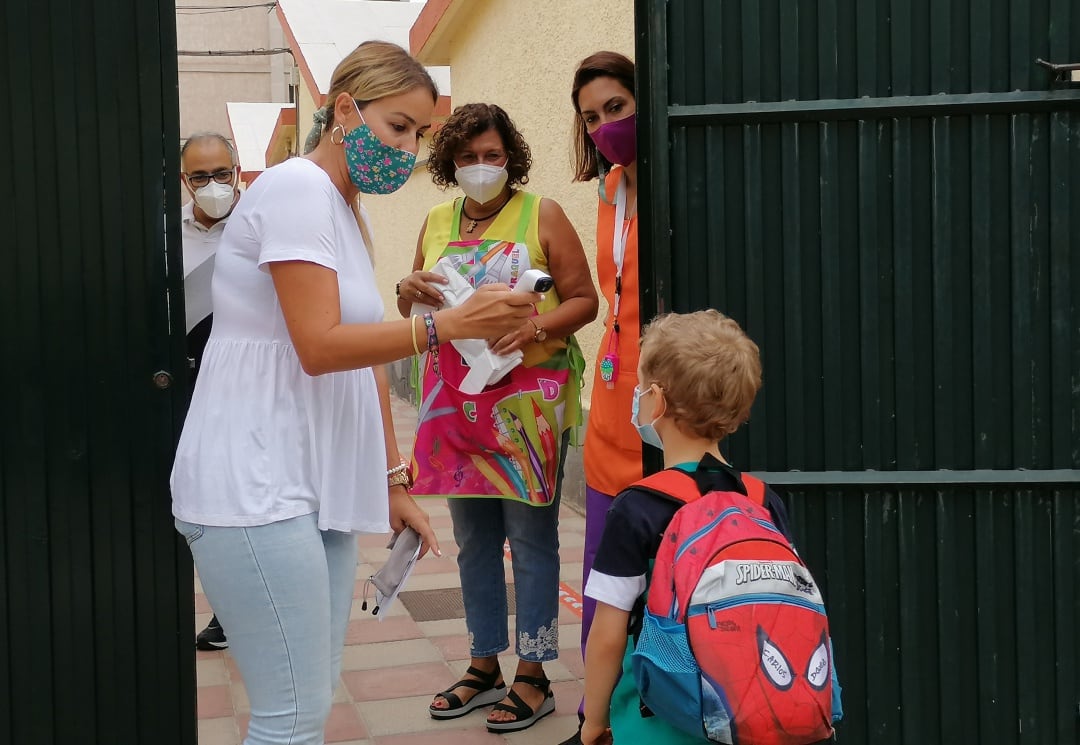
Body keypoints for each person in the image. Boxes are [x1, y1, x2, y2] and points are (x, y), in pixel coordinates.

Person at [170, 42, 541, 745]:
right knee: (291, 718)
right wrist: (444, 326)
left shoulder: (346, 209)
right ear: (345, 109)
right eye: (398, 127)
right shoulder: (296, 189)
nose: (408, 150)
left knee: (307, 703)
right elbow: (320, 346)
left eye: (420, 135)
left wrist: (392, 479)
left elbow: (364, 358)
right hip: (254, 483)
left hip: (312, 485)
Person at [395, 102, 598, 733]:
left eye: (492, 155)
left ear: (510, 156)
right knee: (474, 542)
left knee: (531, 541)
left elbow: (587, 299)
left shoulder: (544, 214)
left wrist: (536, 324)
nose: (481, 167)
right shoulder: (433, 220)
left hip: (525, 411)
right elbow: (414, 300)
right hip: (454, 407)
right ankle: (483, 663)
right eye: (467, 158)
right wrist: (407, 291)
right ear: (449, 163)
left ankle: (534, 676)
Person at [580, 310, 794, 745]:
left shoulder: (638, 508)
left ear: (655, 401)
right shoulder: (763, 501)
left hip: (659, 722)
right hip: (753, 715)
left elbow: (607, 634)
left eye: (639, 388)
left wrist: (592, 721)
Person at [562, 50, 642, 745]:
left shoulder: (675, 183)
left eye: (617, 107)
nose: (604, 126)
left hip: (664, 406)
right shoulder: (610, 190)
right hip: (610, 406)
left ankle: (646, 718)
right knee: (603, 581)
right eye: (591, 117)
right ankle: (598, 724)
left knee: (659, 582)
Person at [179, 131, 241, 652]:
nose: (213, 185)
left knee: (237, 499)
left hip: (247, 385)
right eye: (200, 176)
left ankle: (232, 610)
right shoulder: (163, 234)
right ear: (185, 180)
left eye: (222, 173)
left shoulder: (261, 226)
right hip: (184, 380)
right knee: (195, 499)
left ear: (237, 171)